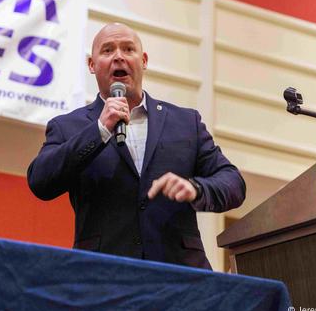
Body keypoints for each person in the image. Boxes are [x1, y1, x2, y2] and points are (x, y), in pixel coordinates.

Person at [27, 23, 246, 269]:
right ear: (91, 65)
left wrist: (196, 188)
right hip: (103, 278)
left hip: (180, 278)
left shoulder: (186, 123)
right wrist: (99, 129)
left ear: (143, 60)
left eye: (128, 49)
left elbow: (233, 183)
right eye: (108, 50)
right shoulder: (68, 126)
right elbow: (40, 181)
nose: (119, 56)